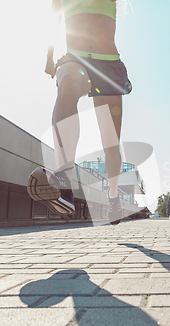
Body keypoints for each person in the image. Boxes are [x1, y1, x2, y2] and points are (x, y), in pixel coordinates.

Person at [27, 0, 132, 225]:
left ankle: (113, 196)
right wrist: (49, 56)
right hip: (75, 58)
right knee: (67, 85)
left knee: (111, 144)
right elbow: (53, 21)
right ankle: (64, 182)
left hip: (108, 66)